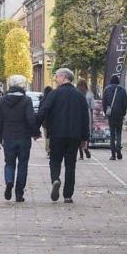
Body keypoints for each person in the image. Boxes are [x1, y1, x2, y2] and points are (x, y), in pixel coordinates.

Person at [35, 68, 89, 203]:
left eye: (57, 76)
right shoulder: (80, 95)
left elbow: (43, 111)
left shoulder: (54, 94)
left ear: (64, 77)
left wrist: (35, 130)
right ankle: (68, 195)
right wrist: (85, 138)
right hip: (74, 136)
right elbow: (85, 118)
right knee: (71, 164)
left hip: (57, 134)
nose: (55, 79)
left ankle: (55, 179)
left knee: (54, 160)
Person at [0, 74, 39, 202]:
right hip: (24, 137)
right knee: (23, 164)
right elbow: (30, 119)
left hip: (8, 136)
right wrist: (36, 132)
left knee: (9, 163)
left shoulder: (3, 101)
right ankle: (19, 194)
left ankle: (9, 181)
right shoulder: (26, 100)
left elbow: (0, 121)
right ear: (22, 86)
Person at [102, 74, 127, 160]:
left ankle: (113, 154)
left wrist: (106, 112)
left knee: (112, 134)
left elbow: (104, 102)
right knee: (119, 133)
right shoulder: (122, 90)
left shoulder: (107, 89)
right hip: (120, 115)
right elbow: (125, 103)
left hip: (111, 115)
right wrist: (124, 113)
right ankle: (118, 148)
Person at [75, 79, 94, 160]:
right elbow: (92, 107)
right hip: (87, 114)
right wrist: (92, 118)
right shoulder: (89, 94)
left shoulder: (75, 93)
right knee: (86, 132)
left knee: (79, 133)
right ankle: (86, 148)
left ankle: (81, 154)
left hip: (77, 114)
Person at [40, 85, 53, 157]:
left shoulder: (42, 100)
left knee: (47, 136)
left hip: (45, 122)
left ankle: (48, 150)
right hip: (53, 121)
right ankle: (51, 149)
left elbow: (40, 112)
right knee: (52, 136)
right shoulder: (53, 99)